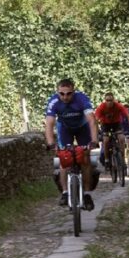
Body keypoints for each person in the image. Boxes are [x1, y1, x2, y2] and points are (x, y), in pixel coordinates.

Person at [44, 78, 98, 210]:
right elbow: (49, 123)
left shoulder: (81, 99)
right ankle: (65, 192)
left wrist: (94, 140)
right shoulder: (53, 101)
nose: (65, 97)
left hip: (82, 128)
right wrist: (51, 143)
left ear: (73, 92)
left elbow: (92, 120)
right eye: (62, 93)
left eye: (68, 93)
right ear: (58, 92)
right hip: (65, 129)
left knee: (85, 158)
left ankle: (86, 194)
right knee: (63, 158)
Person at [95, 93, 129, 166]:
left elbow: (128, 116)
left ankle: (122, 158)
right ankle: (106, 159)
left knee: (121, 139)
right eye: (107, 100)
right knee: (106, 141)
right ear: (105, 101)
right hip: (105, 124)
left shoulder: (118, 106)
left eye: (111, 100)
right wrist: (98, 131)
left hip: (116, 123)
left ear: (114, 100)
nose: (109, 102)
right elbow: (95, 120)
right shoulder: (101, 107)